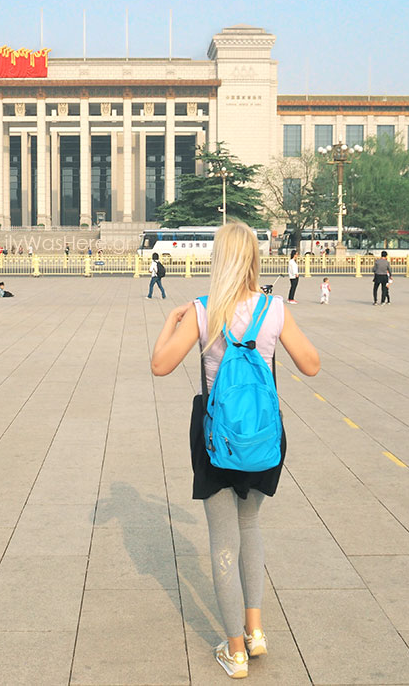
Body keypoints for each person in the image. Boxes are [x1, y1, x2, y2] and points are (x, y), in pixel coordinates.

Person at [150, 223, 320, 679]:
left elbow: (160, 365)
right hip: (265, 437)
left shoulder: (204, 313)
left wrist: (172, 321)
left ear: (218, 259)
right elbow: (312, 364)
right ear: (254, 260)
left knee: (223, 540)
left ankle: (234, 651)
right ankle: (256, 631)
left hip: (215, 439)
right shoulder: (274, 309)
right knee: (252, 526)